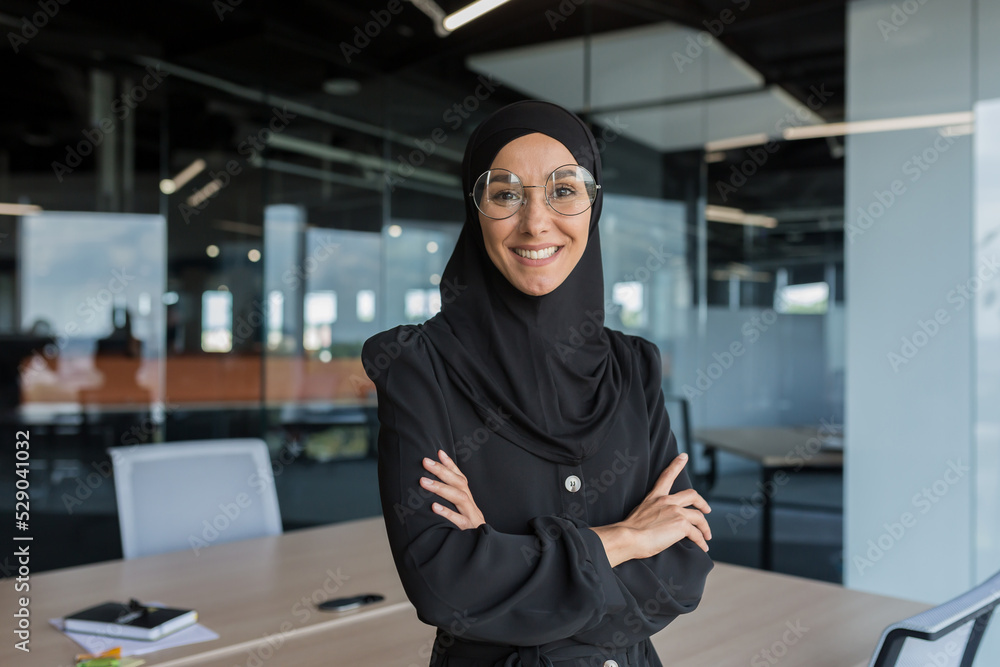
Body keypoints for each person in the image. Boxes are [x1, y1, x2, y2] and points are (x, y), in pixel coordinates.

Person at [361, 100, 713, 667]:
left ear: (593, 207)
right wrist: (626, 540)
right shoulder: (418, 367)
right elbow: (444, 584)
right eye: (505, 194)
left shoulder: (634, 369)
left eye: (564, 190)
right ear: (475, 210)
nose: (535, 221)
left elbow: (680, 575)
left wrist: (503, 561)